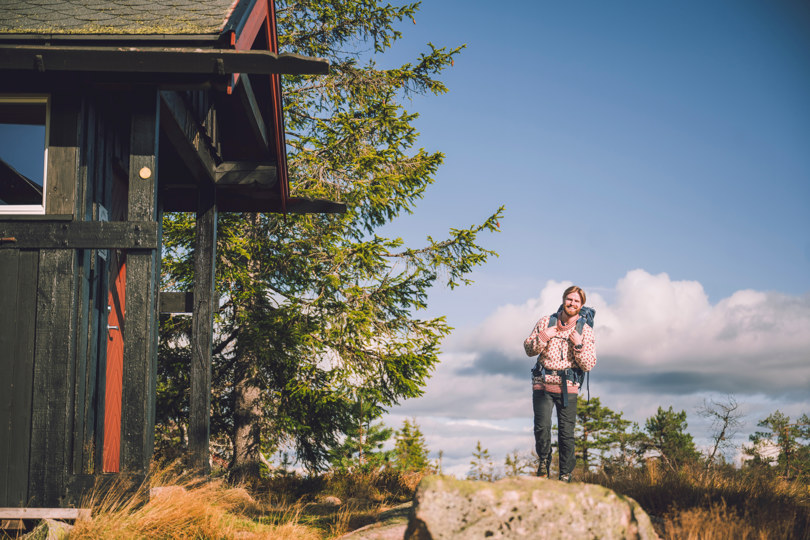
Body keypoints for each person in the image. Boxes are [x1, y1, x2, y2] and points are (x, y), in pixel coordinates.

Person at [523, 285, 597, 481]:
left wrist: (579, 344)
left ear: (581, 305)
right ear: (564, 299)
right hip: (542, 383)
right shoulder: (546, 322)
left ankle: (565, 473)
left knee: (566, 433)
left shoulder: (585, 330)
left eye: (577, 301)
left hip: (568, 387)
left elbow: (589, 364)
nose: (572, 303)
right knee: (542, 427)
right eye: (569, 299)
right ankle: (544, 463)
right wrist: (543, 336)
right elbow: (529, 349)